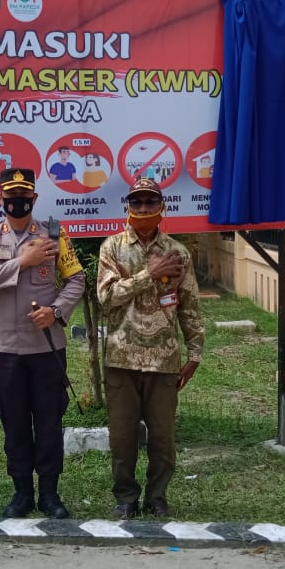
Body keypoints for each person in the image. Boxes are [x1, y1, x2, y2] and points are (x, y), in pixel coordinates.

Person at [0, 168, 85, 519]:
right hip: (5, 348)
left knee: (49, 420)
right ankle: (21, 491)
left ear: (33, 199)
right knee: (15, 421)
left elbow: (77, 279)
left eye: (24, 196)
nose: (17, 201)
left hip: (47, 346)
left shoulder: (54, 235)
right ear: (0, 198)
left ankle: (50, 492)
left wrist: (56, 311)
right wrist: (23, 261)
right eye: (10, 196)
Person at [96, 177, 204, 519]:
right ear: (128, 206)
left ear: (162, 207)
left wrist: (195, 352)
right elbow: (106, 299)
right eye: (137, 202)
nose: (143, 209)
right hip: (121, 358)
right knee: (122, 437)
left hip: (164, 359)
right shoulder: (112, 248)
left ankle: (157, 496)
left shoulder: (179, 253)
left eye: (150, 202)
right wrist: (149, 273)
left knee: (163, 437)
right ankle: (125, 496)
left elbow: (189, 305)